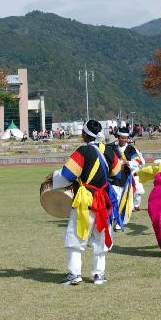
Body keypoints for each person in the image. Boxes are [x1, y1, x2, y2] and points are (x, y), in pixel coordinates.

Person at [50, 120, 121, 285]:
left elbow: (67, 175)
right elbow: (117, 174)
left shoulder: (83, 151)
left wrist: (53, 178)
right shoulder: (108, 150)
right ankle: (99, 275)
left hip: (86, 199)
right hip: (103, 199)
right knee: (100, 236)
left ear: (84, 135)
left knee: (75, 236)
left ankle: (75, 274)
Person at [108, 126, 143, 228]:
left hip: (125, 178)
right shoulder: (111, 147)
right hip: (113, 178)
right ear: (118, 137)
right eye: (121, 138)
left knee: (124, 199)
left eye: (125, 138)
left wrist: (127, 162)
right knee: (113, 198)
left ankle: (119, 222)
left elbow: (138, 162)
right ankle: (112, 218)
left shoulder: (131, 149)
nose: (123, 140)